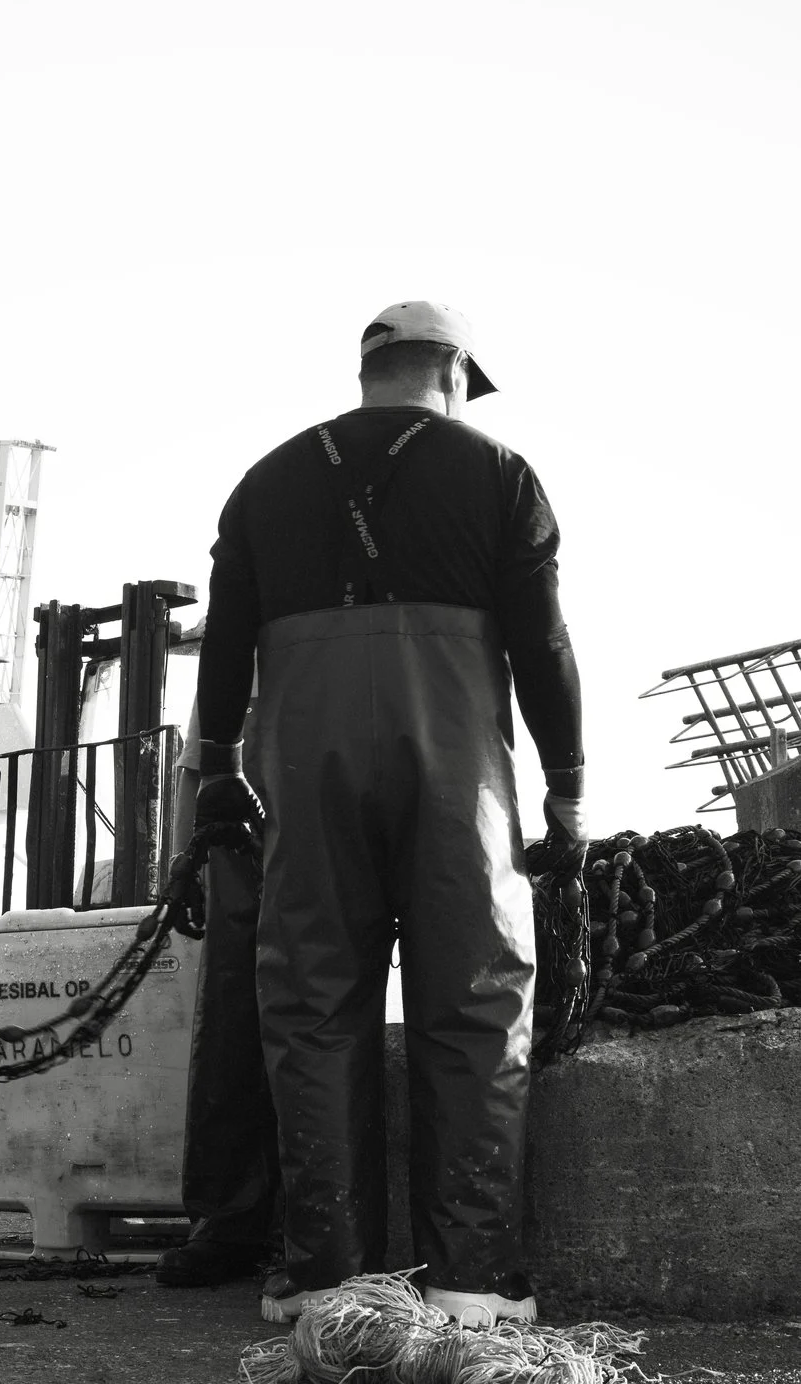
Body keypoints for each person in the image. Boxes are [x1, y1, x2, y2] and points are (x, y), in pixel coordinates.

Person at [195, 302, 584, 1330]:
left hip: (305, 754)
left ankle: (330, 1275)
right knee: (473, 1000)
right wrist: (568, 780)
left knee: (313, 1003)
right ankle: (471, 1280)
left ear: (371, 371)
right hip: (452, 759)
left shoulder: (266, 480)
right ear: (452, 374)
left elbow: (226, 643)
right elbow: (542, 643)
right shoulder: (498, 473)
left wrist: (210, 770)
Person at [154, 694, 279, 1288]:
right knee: (233, 1024)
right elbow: (195, 770)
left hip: (328, 839)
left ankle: (316, 1223)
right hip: (238, 850)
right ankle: (232, 1219)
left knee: (318, 1027)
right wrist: (185, 861)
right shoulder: (238, 655)